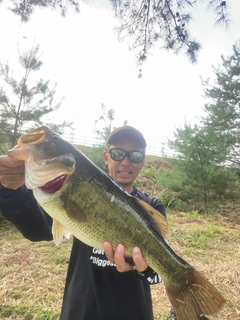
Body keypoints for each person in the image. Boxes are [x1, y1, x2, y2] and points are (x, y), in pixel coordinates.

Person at [0, 125, 207, 320]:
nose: (126, 162)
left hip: (132, 312)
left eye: (135, 155)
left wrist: (142, 268)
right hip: (80, 309)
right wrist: (11, 190)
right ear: (106, 157)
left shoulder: (152, 206)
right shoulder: (65, 190)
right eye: (118, 153)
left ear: (143, 161)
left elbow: (156, 274)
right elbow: (37, 230)